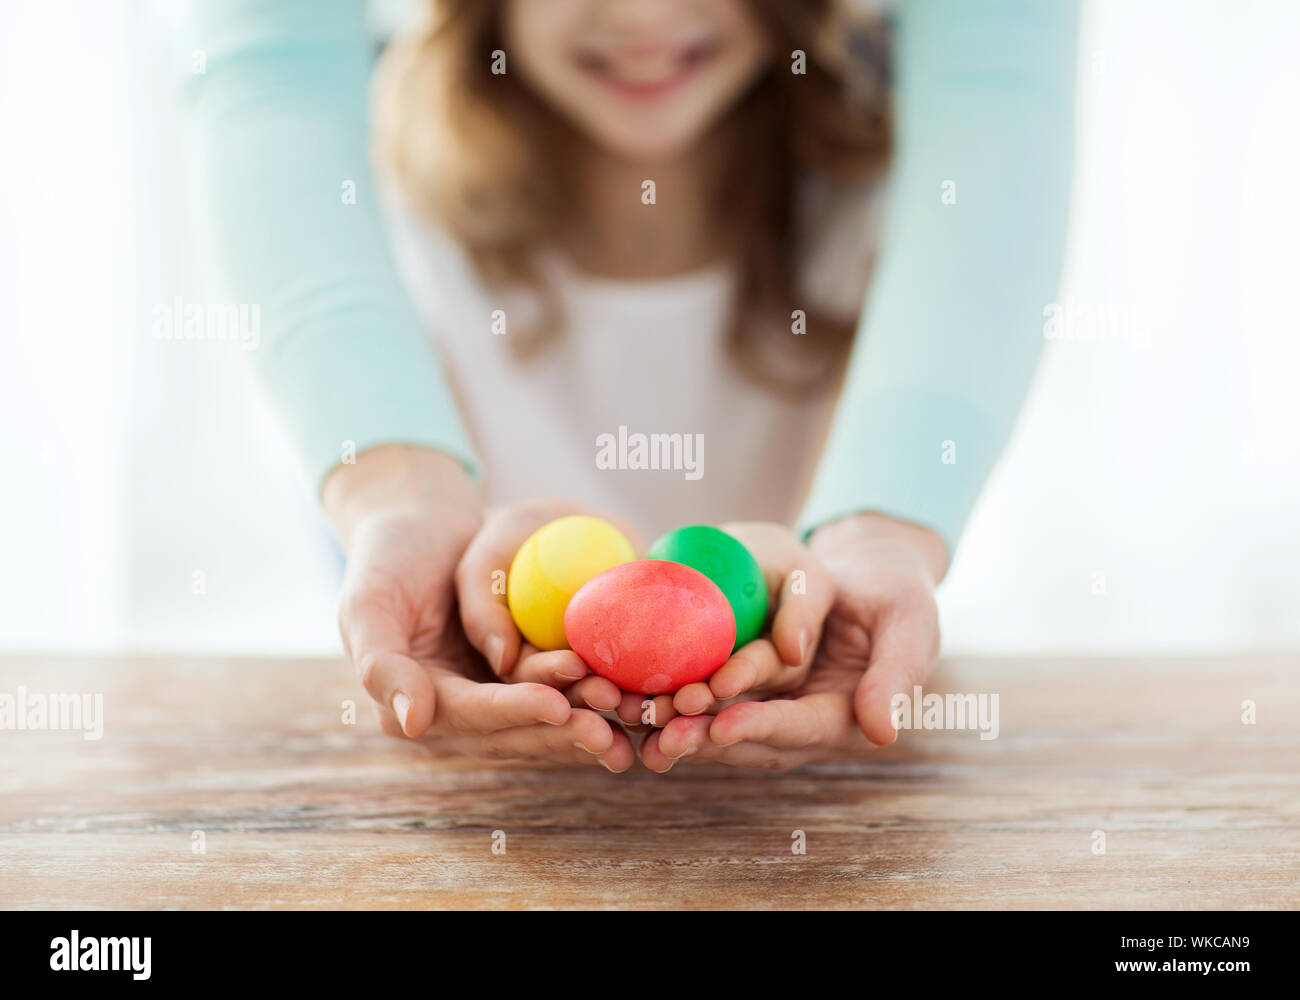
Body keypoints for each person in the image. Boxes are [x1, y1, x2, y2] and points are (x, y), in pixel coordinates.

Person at [184, 0, 1077, 772]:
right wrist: (398, 501)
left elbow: (1003, 82)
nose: (643, 17)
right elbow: (268, 65)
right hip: (500, 798)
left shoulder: (890, 227)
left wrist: (883, 535)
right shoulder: (385, 235)